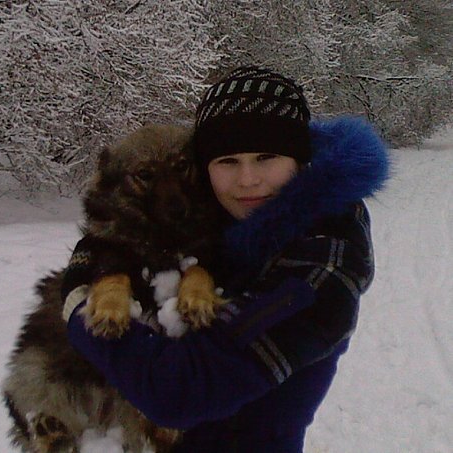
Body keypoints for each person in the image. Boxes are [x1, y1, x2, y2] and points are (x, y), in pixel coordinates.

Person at [63, 65, 389, 452]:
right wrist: (103, 260)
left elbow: (177, 392)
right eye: (228, 161)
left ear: (299, 160)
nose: (247, 179)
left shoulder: (326, 256)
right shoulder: (219, 216)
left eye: (266, 157)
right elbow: (116, 235)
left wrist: (77, 300)